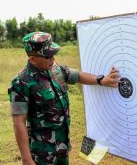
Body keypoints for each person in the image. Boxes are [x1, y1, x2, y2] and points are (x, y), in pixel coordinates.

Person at [8, 32, 120, 165]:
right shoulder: (21, 83)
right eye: (48, 56)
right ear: (32, 59)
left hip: (63, 147)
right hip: (42, 153)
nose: (53, 58)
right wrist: (26, 158)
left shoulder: (56, 70)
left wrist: (101, 80)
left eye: (53, 53)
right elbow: (19, 122)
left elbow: (78, 76)